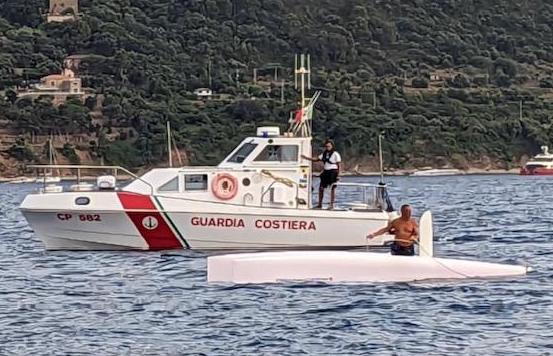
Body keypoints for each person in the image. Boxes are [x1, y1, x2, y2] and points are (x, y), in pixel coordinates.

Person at [302, 139, 342, 209]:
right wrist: (306, 158)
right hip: (326, 171)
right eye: (326, 146)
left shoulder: (335, 154)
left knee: (332, 188)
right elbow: (317, 159)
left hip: (333, 171)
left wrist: (338, 175)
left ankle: (331, 205)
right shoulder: (324, 153)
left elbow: (339, 164)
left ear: (332, 146)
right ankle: (319, 204)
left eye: (329, 146)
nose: (327, 148)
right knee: (321, 188)